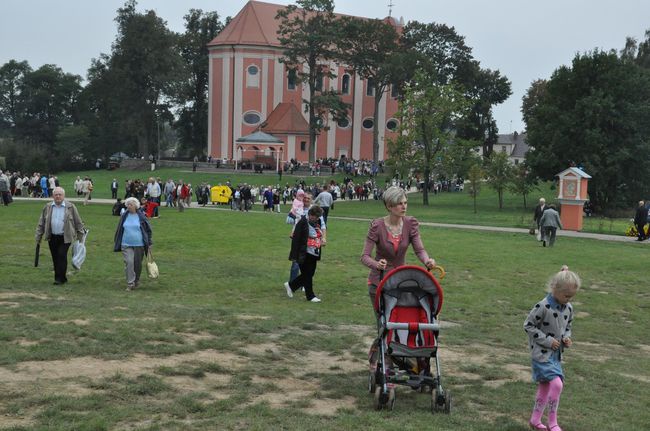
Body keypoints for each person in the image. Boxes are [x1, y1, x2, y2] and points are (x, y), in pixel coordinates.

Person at [360, 186, 436, 315]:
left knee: (401, 320)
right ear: (389, 206)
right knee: (384, 323)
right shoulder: (377, 226)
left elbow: (420, 250)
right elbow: (364, 256)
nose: (404, 207)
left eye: (405, 203)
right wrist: (376, 264)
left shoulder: (410, 223)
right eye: (399, 204)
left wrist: (427, 260)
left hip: (400, 282)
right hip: (378, 283)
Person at [524, 266, 581, 431]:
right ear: (555, 288)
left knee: (545, 386)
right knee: (557, 384)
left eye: (572, 296)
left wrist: (566, 338)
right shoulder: (542, 306)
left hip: (556, 356)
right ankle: (552, 422)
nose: (568, 299)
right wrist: (548, 341)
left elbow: (567, 326)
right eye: (566, 295)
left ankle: (535, 420)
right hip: (541, 355)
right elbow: (528, 326)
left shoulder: (568, 308)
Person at [35, 187, 85, 285]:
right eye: (56, 194)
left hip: (65, 237)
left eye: (60, 194)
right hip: (52, 236)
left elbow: (78, 222)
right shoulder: (48, 207)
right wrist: (38, 236)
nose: (58, 196)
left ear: (63, 196)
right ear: (53, 196)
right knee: (55, 257)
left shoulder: (71, 207)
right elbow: (41, 223)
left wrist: (81, 237)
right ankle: (62, 278)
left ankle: (58, 279)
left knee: (61, 255)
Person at [285, 205, 324, 302]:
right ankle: (310, 296)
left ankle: (291, 285)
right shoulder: (302, 222)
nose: (316, 219)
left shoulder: (316, 223)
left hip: (314, 252)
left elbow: (319, 234)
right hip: (304, 252)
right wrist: (295, 255)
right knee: (307, 274)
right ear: (311, 214)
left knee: (310, 273)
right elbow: (296, 238)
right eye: (315, 216)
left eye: (317, 217)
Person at [113, 197, 153, 291]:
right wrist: (117, 240)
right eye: (128, 204)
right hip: (126, 244)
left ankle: (136, 280)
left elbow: (148, 230)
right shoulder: (124, 216)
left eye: (131, 204)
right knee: (129, 262)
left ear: (136, 206)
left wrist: (149, 242)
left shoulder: (141, 216)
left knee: (137, 264)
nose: (129, 206)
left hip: (139, 244)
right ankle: (130, 283)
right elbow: (119, 229)